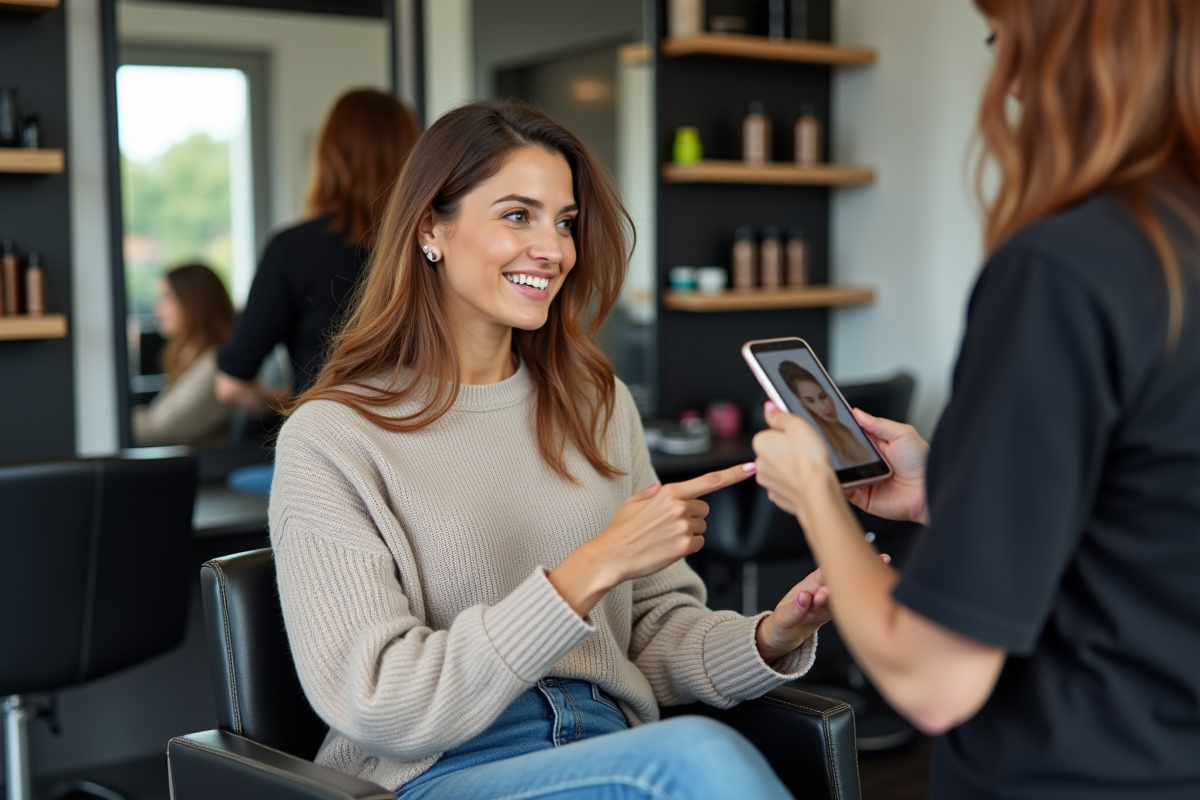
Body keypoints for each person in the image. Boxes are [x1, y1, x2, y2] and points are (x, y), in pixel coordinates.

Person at [270, 101, 853, 799]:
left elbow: (649, 634)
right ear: (431, 228)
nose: (554, 249)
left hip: (606, 743)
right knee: (690, 760)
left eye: (565, 221)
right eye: (518, 215)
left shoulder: (597, 404)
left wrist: (769, 636)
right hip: (439, 772)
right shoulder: (334, 437)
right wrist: (596, 563)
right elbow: (378, 700)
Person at [752, 2, 1200, 799]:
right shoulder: (1175, 248)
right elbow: (1149, 527)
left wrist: (816, 494)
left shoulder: (1062, 271)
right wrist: (947, 493)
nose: (1010, 84)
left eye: (1002, 41)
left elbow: (933, 677)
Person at [215, 88, 420, 416]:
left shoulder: (291, 249)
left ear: (328, 157)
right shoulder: (431, 242)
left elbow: (231, 385)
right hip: (423, 430)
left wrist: (293, 405)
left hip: (327, 435)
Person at [132, 263, 234, 447]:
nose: (157, 309)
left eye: (167, 298)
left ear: (195, 303)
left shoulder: (214, 366)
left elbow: (156, 431)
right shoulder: (193, 358)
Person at [778, 360, 872, 466]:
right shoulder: (818, 446)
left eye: (823, 397)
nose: (824, 407)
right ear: (803, 404)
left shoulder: (854, 431)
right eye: (811, 401)